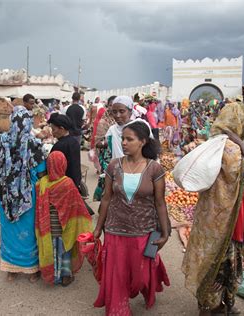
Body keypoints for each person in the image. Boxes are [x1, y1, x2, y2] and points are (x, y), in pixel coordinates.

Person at [182, 102, 244, 316]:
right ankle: (216, 306)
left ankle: (208, 304)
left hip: (210, 215)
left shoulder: (211, 144)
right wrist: (242, 144)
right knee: (225, 261)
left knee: (210, 257)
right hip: (232, 216)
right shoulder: (233, 149)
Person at [93, 120, 170, 315]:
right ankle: (118, 308)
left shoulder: (154, 169)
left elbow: (160, 203)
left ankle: (147, 288)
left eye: (129, 139)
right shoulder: (114, 166)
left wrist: (165, 232)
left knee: (141, 275)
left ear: (142, 141)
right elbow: (106, 198)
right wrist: (97, 228)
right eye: (123, 139)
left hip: (143, 229)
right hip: (115, 228)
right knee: (116, 274)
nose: (124, 143)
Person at [0, 93, 46, 283]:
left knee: (9, 230)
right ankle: (32, 270)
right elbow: (40, 172)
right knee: (29, 231)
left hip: (5, 195)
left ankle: (11, 270)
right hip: (27, 196)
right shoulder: (34, 144)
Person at [35, 151, 92, 286]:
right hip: (64, 226)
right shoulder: (67, 183)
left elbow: (38, 208)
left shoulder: (40, 184)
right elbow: (77, 205)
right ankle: (66, 275)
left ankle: (54, 275)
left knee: (52, 250)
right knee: (65, 248)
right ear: (63, 164)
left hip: (48, 227)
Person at [48, 113, 81, 189]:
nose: (52, 133)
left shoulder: (59, 146)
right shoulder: (74, 142)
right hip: (74, 182)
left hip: (61, 186)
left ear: (62, 129)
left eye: (53, 129)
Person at [93, 96, 116, 201]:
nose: (114, 108)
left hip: (121, 157)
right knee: (107, 185)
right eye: (111, 105)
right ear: (108, 106)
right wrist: (110, 141)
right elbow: (98, 143)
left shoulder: (123, 120)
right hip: (108, 158)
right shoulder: (104, 122)